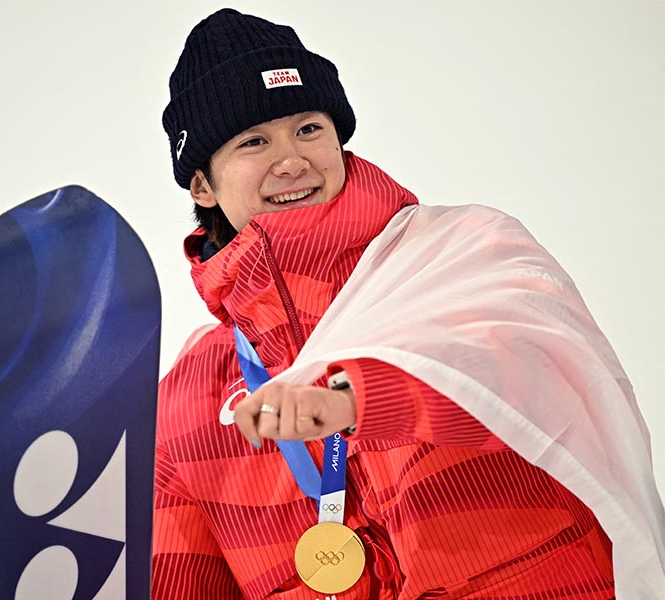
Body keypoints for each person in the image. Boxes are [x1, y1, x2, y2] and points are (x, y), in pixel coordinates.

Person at [152, 8, 664, 600]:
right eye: (254, 141)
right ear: (201, 185)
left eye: (309, 129)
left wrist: (359, 398)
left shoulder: (456, 250)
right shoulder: (188, 399)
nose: (291, 159)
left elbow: (530, 376)